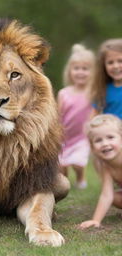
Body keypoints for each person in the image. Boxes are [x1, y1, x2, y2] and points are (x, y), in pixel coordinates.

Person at [57, 44, 95, 189]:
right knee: (61, 165)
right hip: (64, 136)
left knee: (78, 163)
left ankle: (80, 177)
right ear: (70, 71)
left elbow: (97, 111)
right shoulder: (64, 93)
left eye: (85, 69)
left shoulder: (93, 93)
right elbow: (58, 115)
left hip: (82, 137)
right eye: (76, 68)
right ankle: (64, 183)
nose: (80, 72)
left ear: (93, 72)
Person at [79, 114, 122, 229]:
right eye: (98, 140)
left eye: (110, 137)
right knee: (115, 198)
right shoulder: (106, 166)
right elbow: (106, 195)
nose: (105, 143)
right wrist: (96, 220)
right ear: (92, 147)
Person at [90, 38, 122, 119]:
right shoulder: (103, 89)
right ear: (103, 66)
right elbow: (94, 116)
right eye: (110, 62)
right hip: (111, 131)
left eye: (120, 61)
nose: (116, 66)